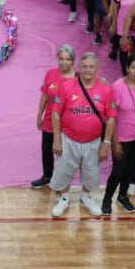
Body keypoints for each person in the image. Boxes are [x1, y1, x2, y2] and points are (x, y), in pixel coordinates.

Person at [48, 53, 115, 218]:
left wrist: (106, 143)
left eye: (91, 67)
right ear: (79, 67)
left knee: (91, 172)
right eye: (84, 66)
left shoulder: (106, 89)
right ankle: (64, 198)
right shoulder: (67, 87)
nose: (87, 70)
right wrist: (56, 139)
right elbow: (56, 113)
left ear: (97, 68)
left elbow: (112, 118)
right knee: (64, 171)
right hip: (68, 140)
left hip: (93, 142)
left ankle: (86, 198)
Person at [103, 54, 135, 215]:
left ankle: (122, 197)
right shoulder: (118, 86)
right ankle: (107, 199)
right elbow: (111, 115)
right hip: (121, 138)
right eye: (133, 67)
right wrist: (114, 142)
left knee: (131, 169)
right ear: (127, 69)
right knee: (118, 171)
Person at [32, 45, 78, 189]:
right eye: (61, 59)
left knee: (64, 154)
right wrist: (39, 115)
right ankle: (47, 176)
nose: (64, 62)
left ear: (73, 61)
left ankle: (62, 181)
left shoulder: (79, 78)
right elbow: (44, 96)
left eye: (68, 59)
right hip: (49, 120)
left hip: (68, 124)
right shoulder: (51, 73)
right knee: (47, 150)